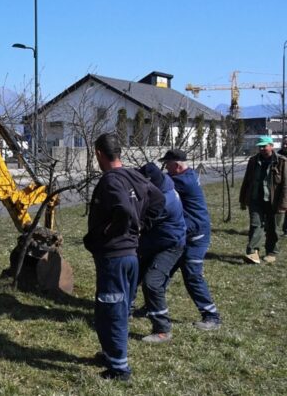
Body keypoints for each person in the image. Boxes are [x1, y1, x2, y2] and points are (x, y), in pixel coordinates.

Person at [84, 133, 164, 381]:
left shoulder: (110, 181)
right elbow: (158, 200)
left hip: (115, 257)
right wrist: (140, 227)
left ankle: (120, 369)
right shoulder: (134, 176)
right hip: (130, 255)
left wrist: (114, 231)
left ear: (98, 154)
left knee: (113, 310)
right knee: (108, 307)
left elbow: (123, 209)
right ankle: (111, 354)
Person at [160, 149, 222, 330]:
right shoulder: (188, 175)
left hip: (196, 236)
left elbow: (157, 184)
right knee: (163, 269)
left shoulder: (182, 181)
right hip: (185, 233)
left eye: (167, 164)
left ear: (177, 165)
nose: (165, 168)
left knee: (192, 274)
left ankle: (212, 316)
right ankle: (153, 305)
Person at [136, 162, 186, 344]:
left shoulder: (164, 200)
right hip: (154, 242)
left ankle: (162, 329)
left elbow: (140, 221)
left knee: (152, 283)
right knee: (132, 276)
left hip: (170, 245)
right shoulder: (163, 183)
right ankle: (121, 314)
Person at [239, 135, 287, 264]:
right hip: (256, 200)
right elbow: (247, 181)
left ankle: (271, 252)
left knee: (273, 229)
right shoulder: (253, 161)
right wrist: (243, 199)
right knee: (255, 226)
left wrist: (283, 204)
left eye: (264, 146)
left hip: (274, 202)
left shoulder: (282, 161)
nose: (262, 149)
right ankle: (252, 253)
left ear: (271, 146)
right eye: (260, 146)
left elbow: (285, 185)